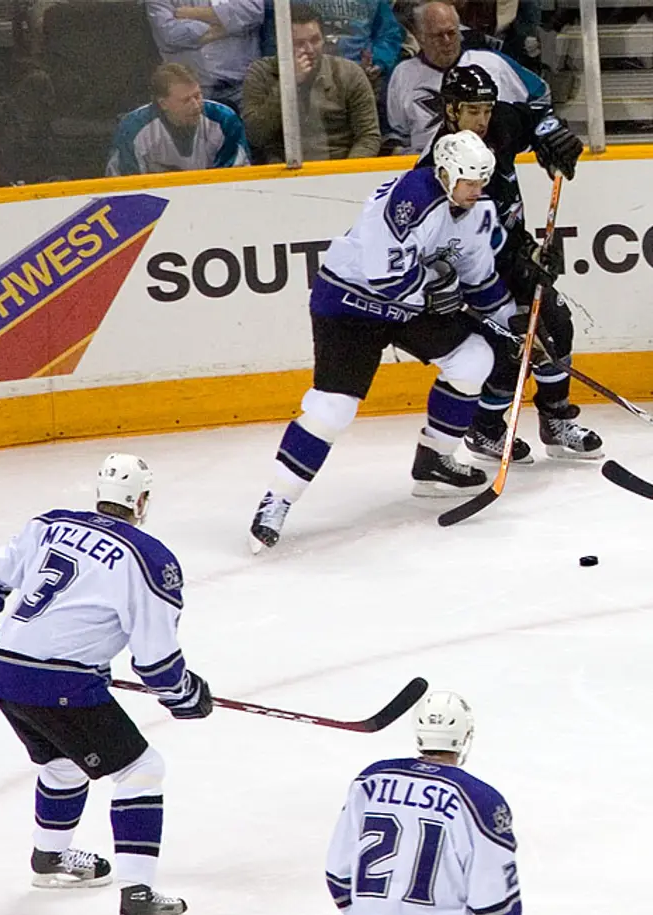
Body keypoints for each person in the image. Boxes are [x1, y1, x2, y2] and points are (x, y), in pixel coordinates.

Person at [0, 454, 211, 915]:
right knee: (141, 769)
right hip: (62, 685)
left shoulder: (49, 525)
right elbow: (155, 662)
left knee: (63, 765)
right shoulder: (149, 558)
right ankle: (140, 901)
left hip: (5, 676)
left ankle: (50, 857)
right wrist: (185, 695)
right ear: (143, 500)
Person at [248, 130, 513, 551]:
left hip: (410, 307)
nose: (475, 190)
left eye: (481, 182)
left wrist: (510, 324)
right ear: (444, 174)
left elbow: (478, 278)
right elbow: (385, 278)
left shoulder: (480, 209)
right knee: (333, 408)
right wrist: (435, 286)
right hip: (351, 305)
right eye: (467, 182)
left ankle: (433, 463)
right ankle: (276, 499)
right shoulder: (407, 201)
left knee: (474, 358)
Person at [426, 64, 600, 462]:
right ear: (450, 110)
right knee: (510, 348)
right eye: (472, 111)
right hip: (473, 272)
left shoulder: (499, 123)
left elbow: (537, 114)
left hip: (512, 250)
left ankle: (556, 422)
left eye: (486, 109)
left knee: (555, 322)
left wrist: (548, 135)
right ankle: (485, 428)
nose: (483, 120)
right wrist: (521, 263)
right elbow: (456, 247)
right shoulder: (436, 169)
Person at [326, 691, 542, 915]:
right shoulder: (478, 799)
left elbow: (337, 873)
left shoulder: (371, 780)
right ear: (465, 736)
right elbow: (491, 893)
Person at [384, 0, 555, 153]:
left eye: (451, 33)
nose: (446, 41)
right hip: (429, 169)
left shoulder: (491, 62)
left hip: (491, 164)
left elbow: (541, 95)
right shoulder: (403, 74)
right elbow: (397, 134)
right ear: (420, 38)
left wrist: (528, 137)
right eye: (438, 35)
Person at [241, 3, 383, 162]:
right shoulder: (261, 73)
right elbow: (255, 136)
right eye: (299, 43)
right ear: (281, 43)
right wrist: (288, 84)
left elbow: (369, 136)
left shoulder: (349, 73)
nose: (309, 49)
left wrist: (346, 174)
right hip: (284, 173)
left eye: (315, 40)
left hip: (341, 166)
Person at [107, 63, 251, 176]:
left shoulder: (225, 121)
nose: (196, 105)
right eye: (186, 100)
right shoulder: (132, 129)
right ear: (163, 103)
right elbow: (125, 187)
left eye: (197, 96)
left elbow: (236, 179)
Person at [147, 0, 266, 111]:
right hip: (189, 94)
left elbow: (253, 11)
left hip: (243, 87)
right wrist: (229, 26)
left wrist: (193, 13)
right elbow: (169, 34)